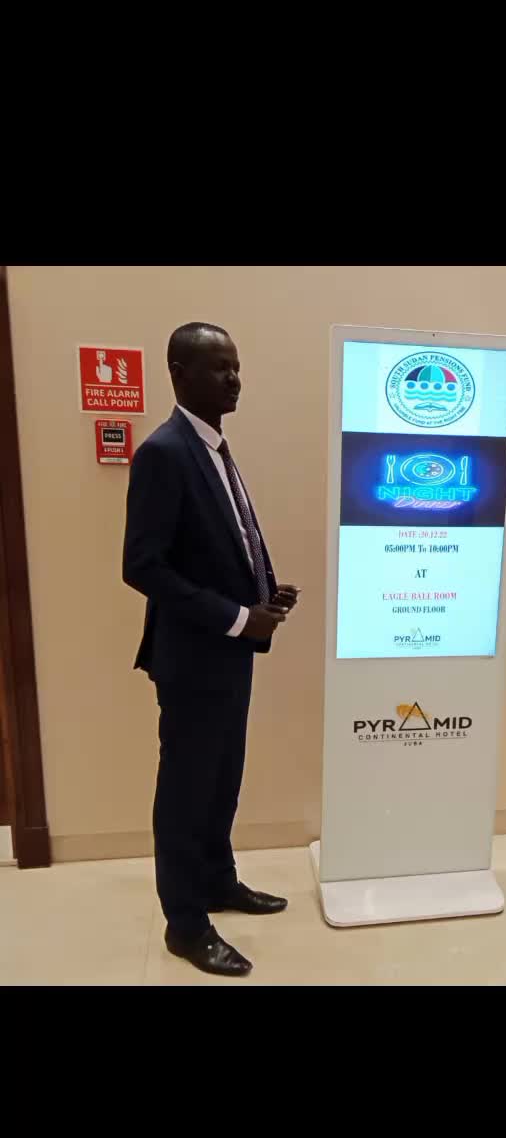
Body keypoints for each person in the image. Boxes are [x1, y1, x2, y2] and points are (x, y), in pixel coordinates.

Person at [123, 322, 300, 977]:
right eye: (219, 367)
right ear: (179, 373)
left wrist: (263, 595)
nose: (234, 379)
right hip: (193, 658)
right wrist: (236, 617)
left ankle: (218, 881)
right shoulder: (165, 452)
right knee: (186, 790)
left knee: (224, 777)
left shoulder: (216, 448)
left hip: (231, 653)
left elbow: (229, 539)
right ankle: (185, 923)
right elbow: (143, 565)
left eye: (236, 366)